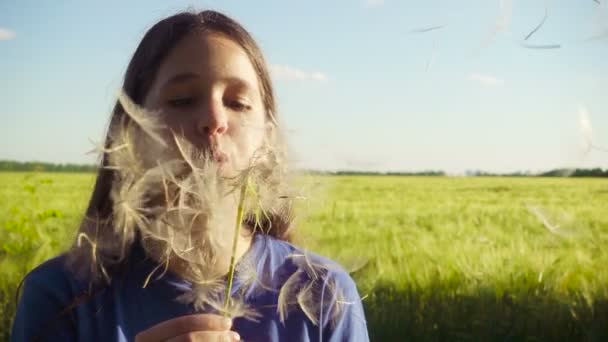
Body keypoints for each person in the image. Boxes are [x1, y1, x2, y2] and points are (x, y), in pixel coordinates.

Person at [11, 9, 369, 342]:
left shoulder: (324, 293)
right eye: (182, 100)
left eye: (238, 102)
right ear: (130, 129)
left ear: (269, 134)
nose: (215, 120)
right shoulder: (60, 297)